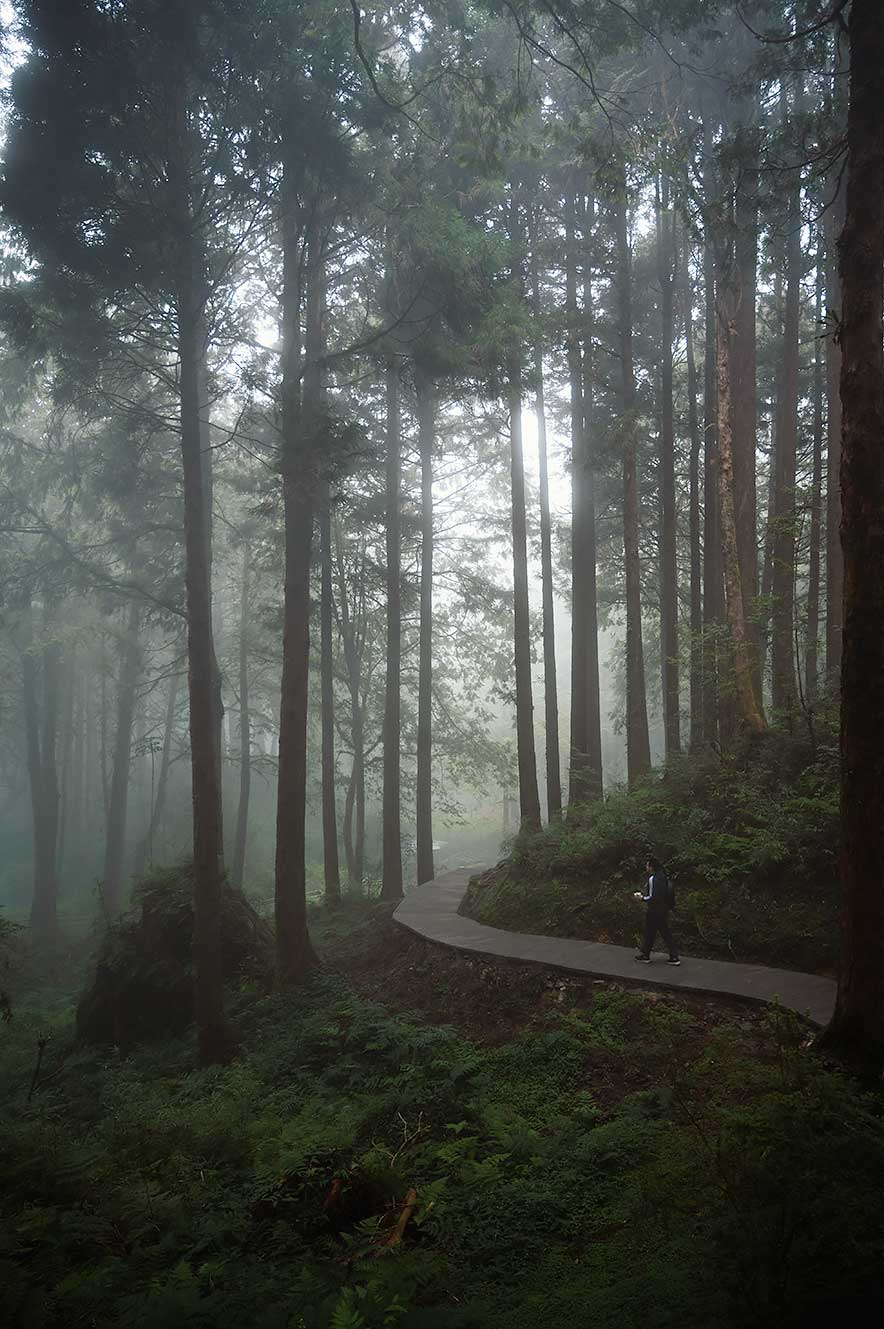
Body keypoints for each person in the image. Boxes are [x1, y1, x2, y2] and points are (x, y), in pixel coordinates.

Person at [632, 856, 680, 965]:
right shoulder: (663, 876)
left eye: (647, 865)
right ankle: (674, 956)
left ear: (651, 867)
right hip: (664, 909)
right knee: (665, 933)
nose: (646, 867)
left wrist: (642, 898)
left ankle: (645, 955)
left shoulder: (653, 878)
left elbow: (653, 896)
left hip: (654, 910)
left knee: (649, 932)